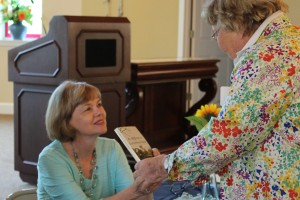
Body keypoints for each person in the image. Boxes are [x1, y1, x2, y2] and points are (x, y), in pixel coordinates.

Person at [133, 0, 300, 199]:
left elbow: (228, 137)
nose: (220, 45)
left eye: (215, 33)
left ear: (232, 22)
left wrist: (164, 165)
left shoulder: (268, 55)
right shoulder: (291, 39)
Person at [37, 80, 152, 199]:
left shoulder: (112, 147)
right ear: (66, 120)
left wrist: (148, 180)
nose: (99, 112)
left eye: (99, 104)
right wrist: (136, 190)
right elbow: (132, 193)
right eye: (88, 109)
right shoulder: (49, 159)